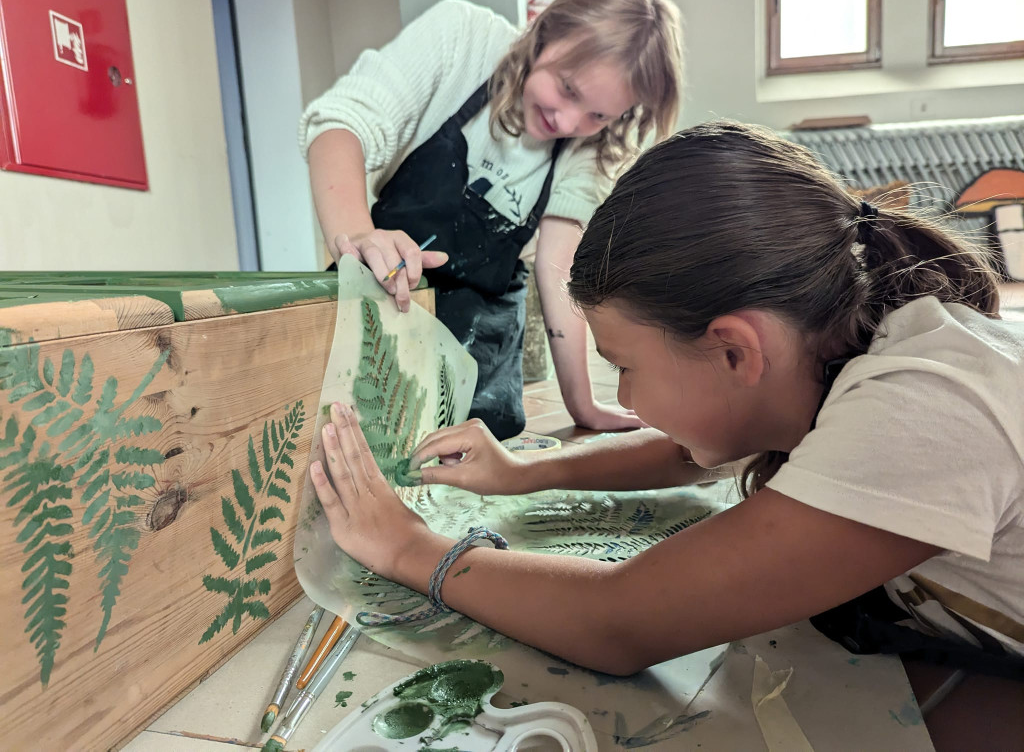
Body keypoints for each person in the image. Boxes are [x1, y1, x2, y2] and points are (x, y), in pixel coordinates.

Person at [308, 121, 1024, 690]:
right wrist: (527, 473)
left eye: (623, 364)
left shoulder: (928, 411)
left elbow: (616, 620)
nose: (620, 395)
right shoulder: (834, 348)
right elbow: (693, 447)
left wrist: (408, 545)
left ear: (736, 350)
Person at [299, 0, 683, 441]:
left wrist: (582, 406)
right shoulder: (463, 37)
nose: (567, 122)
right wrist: (358, 236)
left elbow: (556, 267)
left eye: (597, 115)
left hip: (482, 338)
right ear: (544, 33)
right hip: (387, 292)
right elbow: (340, 124)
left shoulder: (590, 147)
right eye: (566, 88)